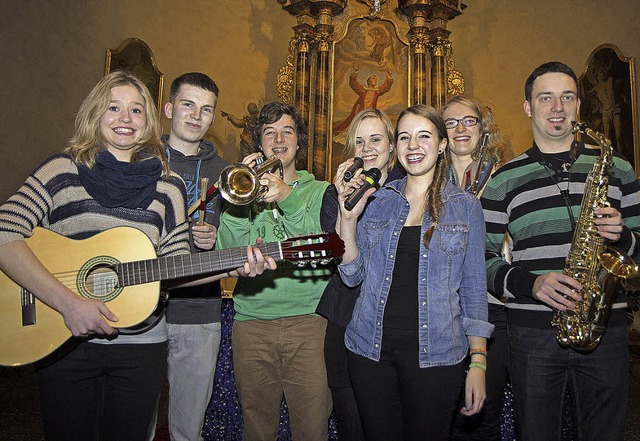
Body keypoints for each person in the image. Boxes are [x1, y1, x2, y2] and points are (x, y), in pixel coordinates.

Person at [0, 71, 275, 441]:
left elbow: (176, 269)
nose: (125, 119)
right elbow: (5, 232)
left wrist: (235, 263)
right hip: (65, 337)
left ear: (148, 121)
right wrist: (68, 304)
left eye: (136, 111)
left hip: (141, 346)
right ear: (95, 113)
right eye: (114, 108)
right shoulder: (61, 170)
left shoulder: (169, 186)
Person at [480, 61, 640, 441]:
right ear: (528, 107)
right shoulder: (504, 178)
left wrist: (622, 237)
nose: (557, 107)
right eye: (545, 98)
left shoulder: (618, 168)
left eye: (567, 97)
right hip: (532, 334)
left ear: (578, 105)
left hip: (606, 331)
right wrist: (529, 285)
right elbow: (479, 258)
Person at [336, 104, 493, 441]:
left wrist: (478, 361)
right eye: (405, 137)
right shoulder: (378, 200)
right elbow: (352, 276)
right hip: (368, 350)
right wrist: (347, 218)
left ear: (441, 144)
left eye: (424, 136)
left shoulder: (466, 207)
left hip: (437, 355)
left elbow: (475, 291)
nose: (413, 145)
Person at [216, 101, 333, 440]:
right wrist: (241, 200)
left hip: (309, 324)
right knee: (257, 428)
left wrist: (287, 197)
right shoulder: (244, 192)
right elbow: (227, 252)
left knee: (312, 427)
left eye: (287, 131)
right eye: (270, 133)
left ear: (299, 141)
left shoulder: (320, 191)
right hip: (251, 323)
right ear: (259, 143)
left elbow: (320, 250)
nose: (279, 139)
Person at [316, 108, 404, 441]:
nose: (367, 148)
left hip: (391, 319)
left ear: (392, 145)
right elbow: (334, 252)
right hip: (344, 314)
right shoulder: (333, 194)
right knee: (350, 419)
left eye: (376, 139)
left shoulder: (407, 190)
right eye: (359, 140)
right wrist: (342, 201)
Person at [161, 72, 229, 441]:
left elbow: (240, 235)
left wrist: (215, 238)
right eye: (188, 105)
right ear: (170, 108)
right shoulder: (140, 158)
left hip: (198, 309)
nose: (195, 115)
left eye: (206, 109)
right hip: (138, 308)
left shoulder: (223, 172)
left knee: (188, 428)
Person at [443, 96, 511, 441]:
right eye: (451, 122)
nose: (460, 128)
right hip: (443, 308)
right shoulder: (428, 176)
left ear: (483, 129)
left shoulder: (503, 176)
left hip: (491, 304)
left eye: (468, 121)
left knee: (484, 414)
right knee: (445, 412)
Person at [333, 62, 394, 134]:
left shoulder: (377, 91)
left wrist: (389, 75)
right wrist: (356, 71)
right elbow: (353, 84)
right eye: (373, 78)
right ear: (369, 81)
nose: (375, 80)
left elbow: (386, 88)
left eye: (376, 79)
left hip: (370, 112)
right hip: (359, 109)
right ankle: (339, 130)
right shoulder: (363, 90)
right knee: (352, 121)